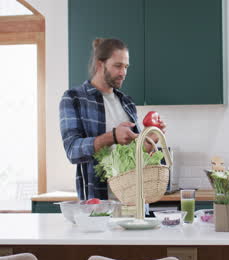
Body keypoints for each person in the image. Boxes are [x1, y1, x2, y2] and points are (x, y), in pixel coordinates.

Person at [60, 38, 166, 200]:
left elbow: (134, 156)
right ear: (100, 64)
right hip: (97, 204)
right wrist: (112, 136)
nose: (123, 73)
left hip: (134, 201)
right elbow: (72, 151)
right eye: (118, 66)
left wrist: (148, 142)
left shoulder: (127, 102)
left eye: (126, 67)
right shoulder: (74, 98)